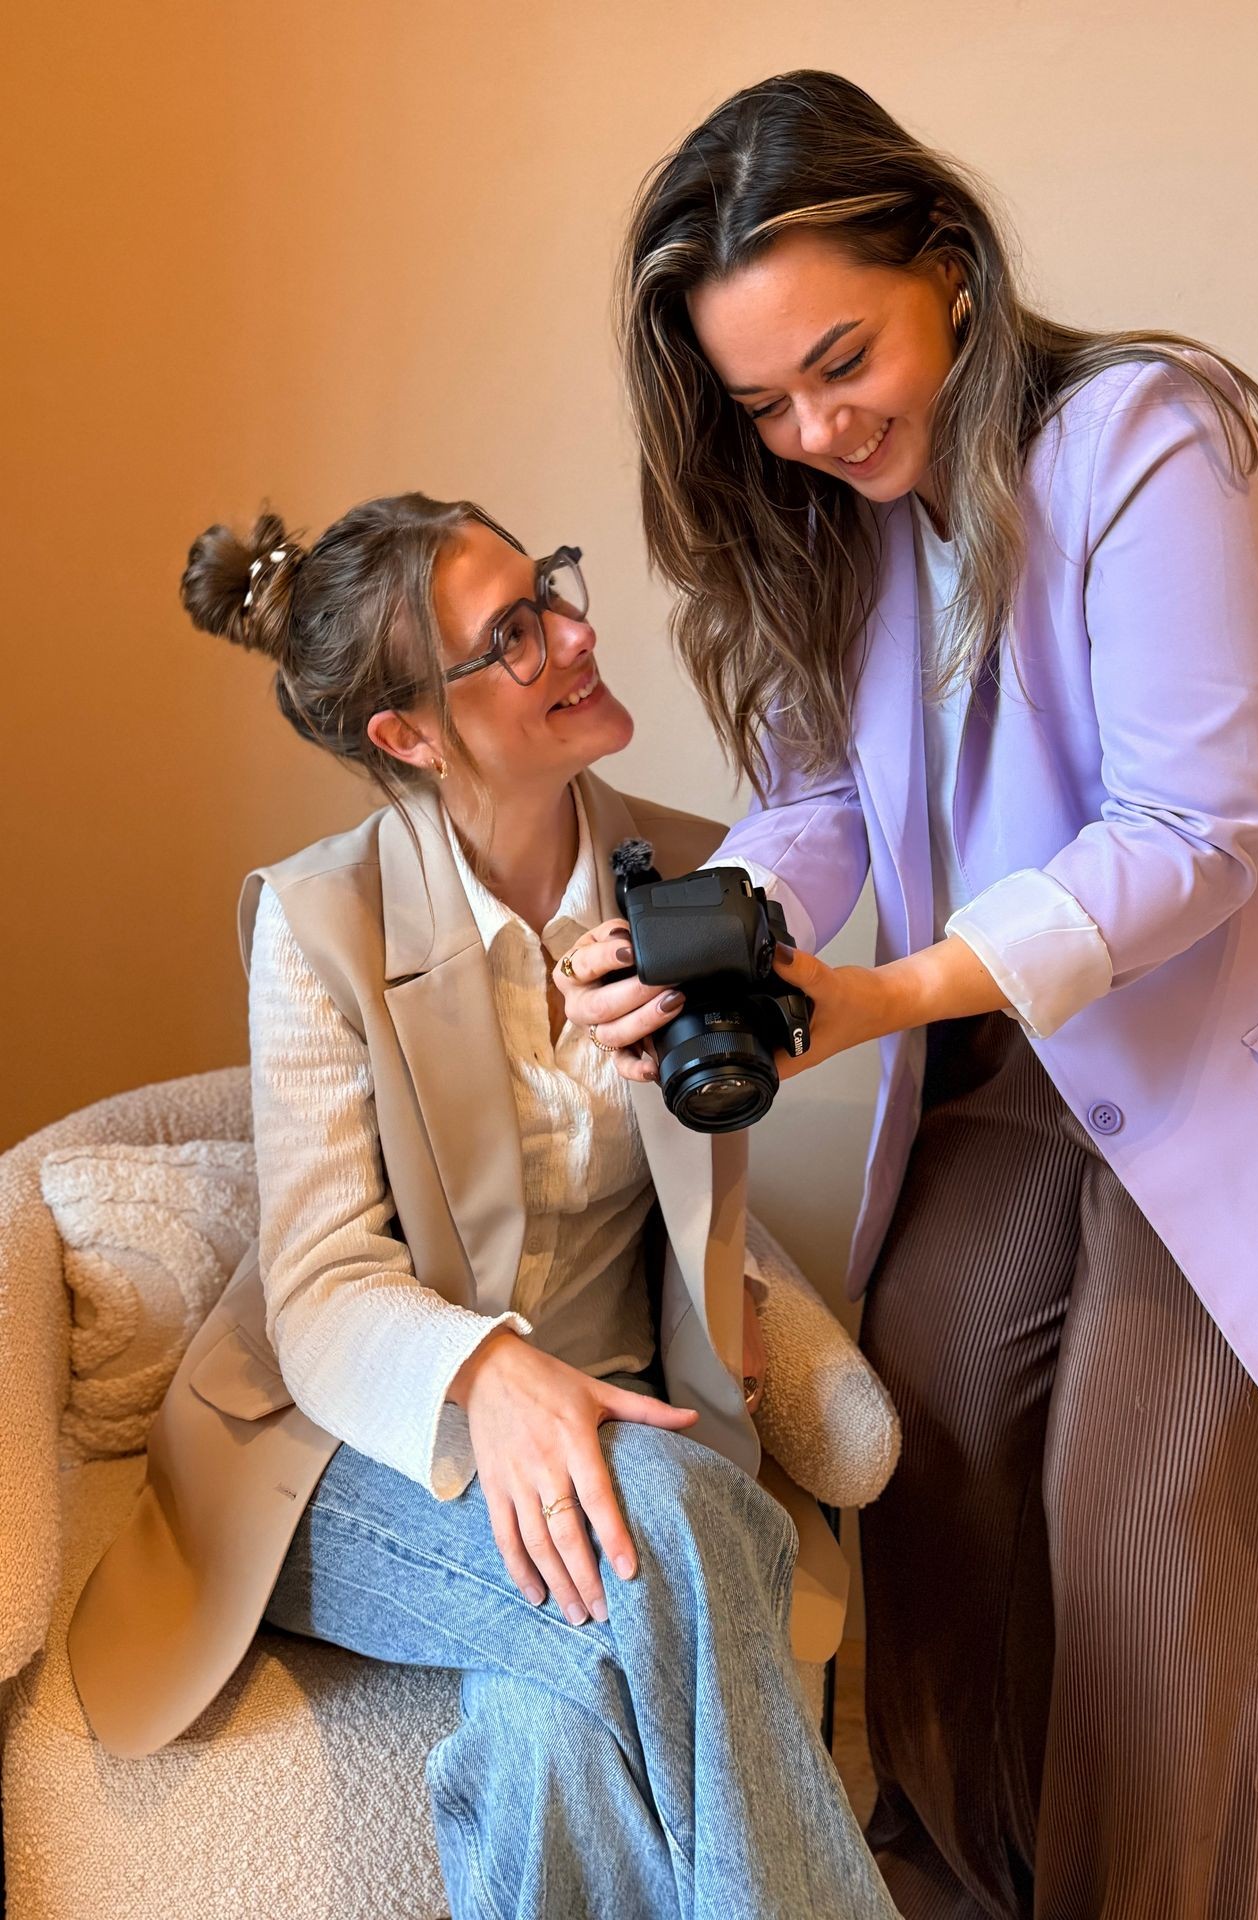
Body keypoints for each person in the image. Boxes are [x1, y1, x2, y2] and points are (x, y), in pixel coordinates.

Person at [555, 69, 1258, 1920]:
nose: (810, 424)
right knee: (928, 1434)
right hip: (1044, 1049)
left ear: (947, 263)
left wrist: (883, 993)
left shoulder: (1151, 443)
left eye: (841, 359)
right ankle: (964, 1884)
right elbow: (811, 802)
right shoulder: (835, 525)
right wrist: (715, 925)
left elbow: (1193, 826)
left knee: (1149, 1550)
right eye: (760, 401)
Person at [67, 491, 898, 1920]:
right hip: (347, 1446)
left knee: (554, 1730)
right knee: (686, 1530)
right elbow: (323, 1281)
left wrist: (730, 1302)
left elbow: (710, 1171)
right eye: (512, 634)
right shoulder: (318, 923)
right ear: (409, 734)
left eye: (552, 591)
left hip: (628, 1415)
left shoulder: (710, 880)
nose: (576, 634)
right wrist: (492, 1372)